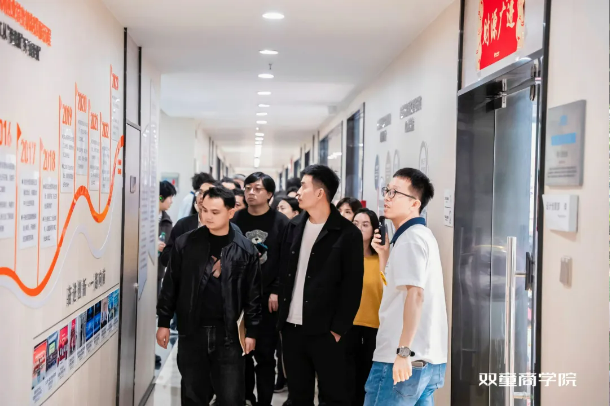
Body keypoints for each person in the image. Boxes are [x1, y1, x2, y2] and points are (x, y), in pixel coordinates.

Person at [156, 187, 262, 406]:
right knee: (193, 395)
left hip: (229, 335)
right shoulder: (185, 243)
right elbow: (171, 285)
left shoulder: (245, 249)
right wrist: (164, 322)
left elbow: (253, 295)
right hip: (192, 331)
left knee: (231, 397)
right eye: (204, 210)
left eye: (215, 212)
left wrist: (252, 332)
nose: (207, 216)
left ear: (230, 212)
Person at [277, 164, 364, 406]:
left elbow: (352, 286)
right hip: (292, 327)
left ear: (319, 193)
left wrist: (338, 329)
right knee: (298, 397)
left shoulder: (347, 233)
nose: (298, 192)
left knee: (333, 396)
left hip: (326, 332)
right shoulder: (293, 226)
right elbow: (283, 272)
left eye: (303, 186)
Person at [365, 168, 447, 406]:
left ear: (414, 203)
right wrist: (384, 254)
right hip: (428, 360)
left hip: (401, 358)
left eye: (395, 192)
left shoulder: (411, 239)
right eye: (387, 191)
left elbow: (416, 295)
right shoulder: (420, 235)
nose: (387, 197)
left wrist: (403, 352)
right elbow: (397, 290)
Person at [232, 172, 289, 406]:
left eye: (257, 189)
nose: (251, 193)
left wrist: (276, 290)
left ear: (269, 194)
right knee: (241, 353)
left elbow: (286, 260)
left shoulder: (281, 222)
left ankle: (264, 401)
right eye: (248, 188)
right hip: (239, 297)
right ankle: (246, 397)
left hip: (268, 298)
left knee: (265, 354)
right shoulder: (236, 219)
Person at [345, 208, 383, 406]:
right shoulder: (343, 257)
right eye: (355, 224)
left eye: (365, 224)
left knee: (368, 377)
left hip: (374, 327)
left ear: (374, 229)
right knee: (347, 379)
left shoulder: (381, 259)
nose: (359, 228)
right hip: (346, 325)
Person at [157, 180, 176, 295]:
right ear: (160, 197)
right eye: (170, 197)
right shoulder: (145, 218)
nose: (171, 201)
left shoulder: (167, 221)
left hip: (159, 272)